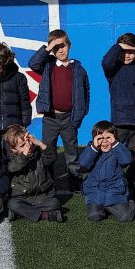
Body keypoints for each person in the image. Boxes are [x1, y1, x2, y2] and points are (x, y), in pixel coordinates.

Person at [29, 29, 90, 186]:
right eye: (56, 48)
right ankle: (48, 182)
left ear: (69, 45)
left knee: (71, 151)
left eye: (62, 46)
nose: (60, 50)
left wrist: (80, 113)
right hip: (50, 118)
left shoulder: (78, 69)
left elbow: (86, 91)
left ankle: (75, 181)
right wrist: (48, 48)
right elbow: (33, 63)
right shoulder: (47, 66)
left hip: (69, 117)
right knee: (48, 151)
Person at [77, 121, 135, 223]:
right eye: (100, 138)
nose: (104, 141)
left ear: (114, 138)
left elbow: (127, 160)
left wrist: (115, 144)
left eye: (108, 137)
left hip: (115, 190)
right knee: (94, 216)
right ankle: (105, 207)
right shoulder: (91, 148)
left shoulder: (118, 148)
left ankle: (129, 200)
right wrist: (94, 148)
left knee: (126, 217)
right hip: (95, 190)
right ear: (94, 139)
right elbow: (83, 164)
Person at [3, 125, 64, 223]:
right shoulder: (10, 159)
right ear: (13, 149)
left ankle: (20, 213)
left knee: (55, 203)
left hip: (42, 196)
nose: (28, 146)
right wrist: (25, 154)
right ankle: (45, 215)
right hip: (22, 198)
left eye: (29, 142)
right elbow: (15, 167)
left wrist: (39, 143)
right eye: (22, 145)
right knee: (12, 204)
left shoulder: (37, 153)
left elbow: (51, 158)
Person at [101, 32, 135, 150]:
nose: (127, 55)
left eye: (131, 52)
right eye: (124, 51)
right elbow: (106, 61)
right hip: (120, 119)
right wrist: (119, 46)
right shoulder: (113, 68)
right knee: (116, 151)